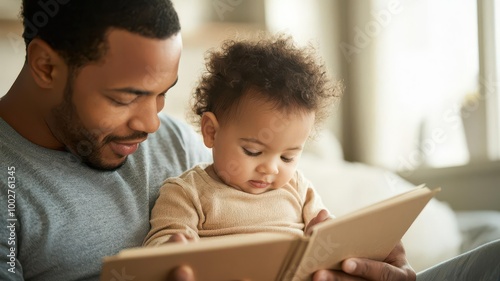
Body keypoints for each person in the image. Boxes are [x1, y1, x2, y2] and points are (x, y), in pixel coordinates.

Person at [0, 0, 498, 281]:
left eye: (163, 95)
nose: (153, 124)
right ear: (46, 66)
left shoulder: (169, 139)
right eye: (128, 96)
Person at [143, 35, 338, 247]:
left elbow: (332, 233)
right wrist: (173, 247)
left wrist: (326, 235)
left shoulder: (298, 189)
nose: (270, 168)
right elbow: (158, 249)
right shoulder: (186, 194)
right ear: (211, 132)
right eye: (252, 151)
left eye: (287, 157)